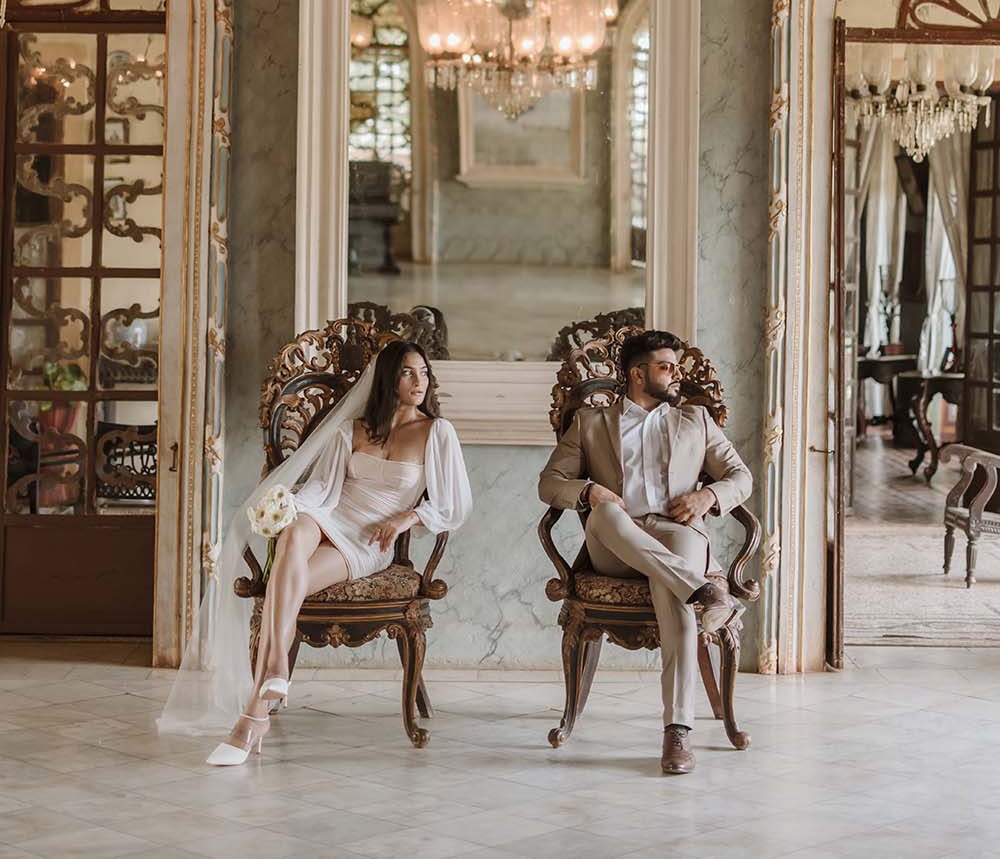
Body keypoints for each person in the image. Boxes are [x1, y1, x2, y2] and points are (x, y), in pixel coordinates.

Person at [158, 339, 472, 763]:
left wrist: (408, 518)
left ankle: (253, 714)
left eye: (424, 372)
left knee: (283, 584)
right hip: (329, 515)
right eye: (407, 372)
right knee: (293, 531)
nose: (420, 381)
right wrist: (286, 506)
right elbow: (322, 488)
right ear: (388, 379)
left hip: (367, 540)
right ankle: (274, 672)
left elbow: (454, 505)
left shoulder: (436, 432)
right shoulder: (353, 429)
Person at [538, 328, 752, 775]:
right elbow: (550, 483)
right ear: (638, 374)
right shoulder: (591, 423)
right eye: (666, 367)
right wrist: (590, 491)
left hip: (677, 532)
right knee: (604, 514)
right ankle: (704, 590)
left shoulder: (696, 420)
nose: (676, 374)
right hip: (616, 541)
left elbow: (740, 477)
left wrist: (707, 497)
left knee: (673, 593)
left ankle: (678, 730)